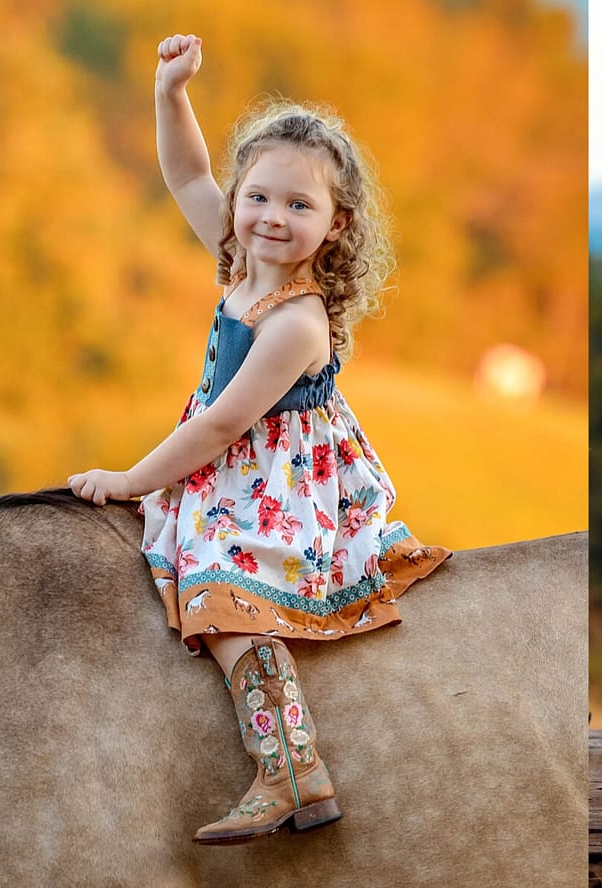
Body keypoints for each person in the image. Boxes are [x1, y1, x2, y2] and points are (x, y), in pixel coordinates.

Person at [67, 34, 449, 844]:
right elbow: (184, 174)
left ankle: (291, 769)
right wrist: (171, 93)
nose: (273, 218)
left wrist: (135, 478)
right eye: (259, 198)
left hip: (288, 487)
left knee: (224, 591)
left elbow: (224, 422)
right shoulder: (240, 262)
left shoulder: (297, 321)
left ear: (337, 225)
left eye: (300, 206)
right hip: (233, 465)